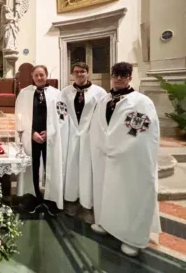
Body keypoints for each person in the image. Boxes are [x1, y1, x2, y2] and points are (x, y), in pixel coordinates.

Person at [90, 62, 161, 256]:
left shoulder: (141, 102)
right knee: (107, 191)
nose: (119, 78)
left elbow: (140, 132)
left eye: (124, 75)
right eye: (116, 74)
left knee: (130, 196)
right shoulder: (104, 100)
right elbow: (98, 126)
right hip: (106, 156)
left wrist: (118, 148)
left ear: (130, 77)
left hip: (130, 159)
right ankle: (106, 222)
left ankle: (133, 238)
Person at [15, 65, 69, 216]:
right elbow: (19, 117)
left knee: (50, 165)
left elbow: (62, 116)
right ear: (32, 77)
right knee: (32, 166)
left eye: (42, 75)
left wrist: (50, 132)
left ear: (46, 76)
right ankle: (33, 197)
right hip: (30, 137)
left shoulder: (57, 94)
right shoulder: (24, 94)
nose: (39, 78)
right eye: (36, 75)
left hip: (50, 137)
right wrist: (31, 133)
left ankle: (51, 199)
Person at [60, 62, 106, 222]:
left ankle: (87, 204)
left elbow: (103, 115)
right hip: (71, 134)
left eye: (83, 72)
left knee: (88, 169)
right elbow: (61, 113)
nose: (80, 75)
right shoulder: (65, 92)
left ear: (88, 73)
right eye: (76, 72)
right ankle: (71, 200)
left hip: (90, 134)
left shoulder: (99, 93)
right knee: (71, 167)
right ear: (72, 74)